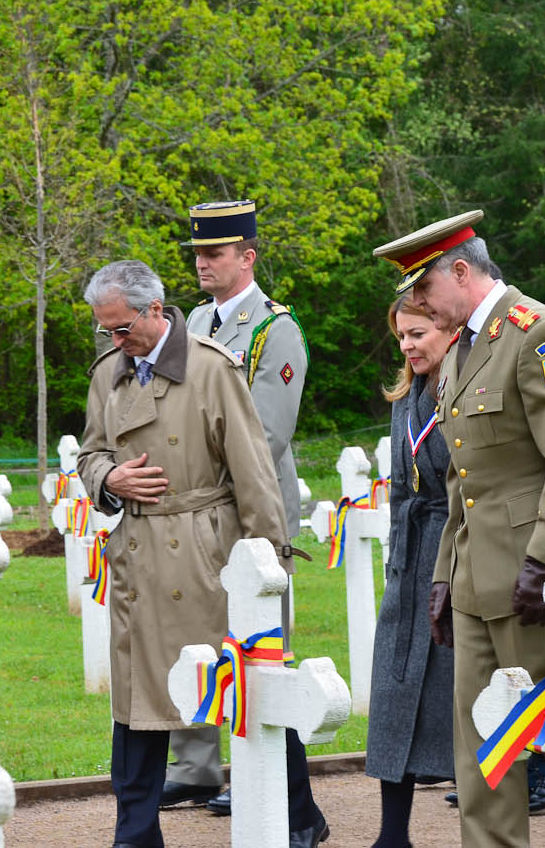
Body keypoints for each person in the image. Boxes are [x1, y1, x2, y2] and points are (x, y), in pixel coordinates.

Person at [76, 260, 329, 848]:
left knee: (251, 683)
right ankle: (134, 834)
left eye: (123, 329)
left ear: (155, 311)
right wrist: (111, 479)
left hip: (207, 555)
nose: (116, 342)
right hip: (138, 555)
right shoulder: (107, 373)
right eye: (105, 331)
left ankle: (297, 815)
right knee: (136, 697)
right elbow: (89, 454)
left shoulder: (212, 369)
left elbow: (253, 470)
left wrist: (265, 566)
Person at [375, 209, 545, 846]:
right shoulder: (462, 351)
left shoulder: (536, 333)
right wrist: (445, 576)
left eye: (422, 292)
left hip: (532, 579)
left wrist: (543, 563)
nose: (418, 307)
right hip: (476, 580)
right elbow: (463, 483)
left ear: (460, 271)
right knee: (484, 745)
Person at [163, 199, 309, 816]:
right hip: (194, 508)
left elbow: (265, 435)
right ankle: (195, 765)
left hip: (246, 506)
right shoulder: (193, 320)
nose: (202, 263)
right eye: (197, 253)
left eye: (215, 253)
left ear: (246, 258)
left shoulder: (276, 330)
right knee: (191, 634)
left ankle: (262, 769)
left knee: (252, 639)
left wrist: (195, 477)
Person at [365, 295, 456, 848]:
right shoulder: (405, 400)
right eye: (401, 336)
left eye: (418, 333)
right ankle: (391, 835)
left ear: (448, 330)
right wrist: (397, 563)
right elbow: (402, 489)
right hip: (410, 557)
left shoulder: (470, 392)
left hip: (455, 552)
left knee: (458, 696)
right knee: (393, 693)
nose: (408, 346)